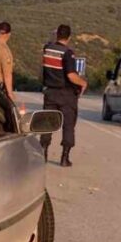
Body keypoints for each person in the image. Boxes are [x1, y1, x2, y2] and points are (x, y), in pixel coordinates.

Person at [41, 24, 88, 166]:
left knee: (47, 123)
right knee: (68, 125)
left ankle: (43, 153)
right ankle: (64, 158)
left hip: (50, 92)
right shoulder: (68, 53)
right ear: (69, 37)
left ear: (57, 35)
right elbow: (71, 75)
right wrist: (83, 83)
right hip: (66, 94)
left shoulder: (47, 49)